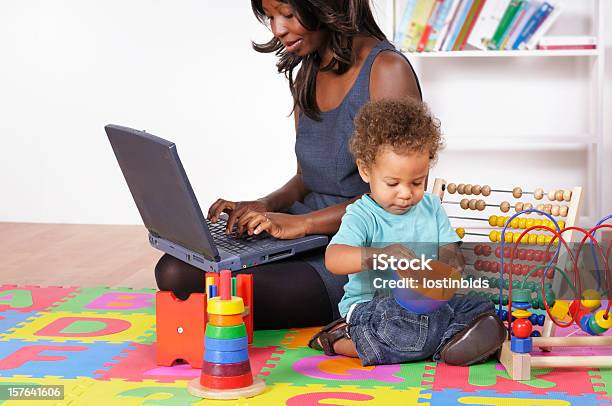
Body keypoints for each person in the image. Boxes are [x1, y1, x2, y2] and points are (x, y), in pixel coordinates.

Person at [154, 0, 422, 330]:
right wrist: (263, 207)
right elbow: (305, 178)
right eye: (270, 17)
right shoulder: (309, 67)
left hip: (356, 255)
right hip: (304, 235)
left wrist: (304, 224)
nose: (277, 29)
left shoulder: (386, 70)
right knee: (174, 270)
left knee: (204, 286)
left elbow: (399, 200)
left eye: (288, 14)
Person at [308, 98, 506, 366]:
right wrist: (380, 256)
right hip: (373, 307)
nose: (405, 193)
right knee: (400, 325)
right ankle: (341, 340)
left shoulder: (431, 207)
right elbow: (335, 259)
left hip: (427, 306)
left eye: (417, 182)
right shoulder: (362, 214)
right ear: (366, 170)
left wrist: (450, 267)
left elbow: (451, 251)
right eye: (392, 183)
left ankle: (444, 342)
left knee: (480, 307)